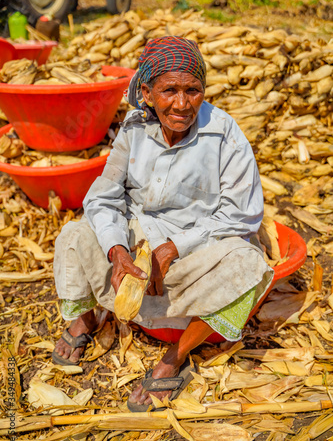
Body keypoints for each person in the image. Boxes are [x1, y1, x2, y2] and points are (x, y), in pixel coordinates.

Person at [52, 36, 273, 412]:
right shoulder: (134, 128)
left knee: (250, 266)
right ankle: (85, 321)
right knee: (74, 235)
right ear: (148, 92)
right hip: (138, 237)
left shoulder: (224, 133)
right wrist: (119, 251)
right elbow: (104, 197)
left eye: (193, 90)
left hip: (197, 248)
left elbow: (241, 214)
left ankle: (176, 355)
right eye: (169, 90)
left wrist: (175, 246)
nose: (182, 104)